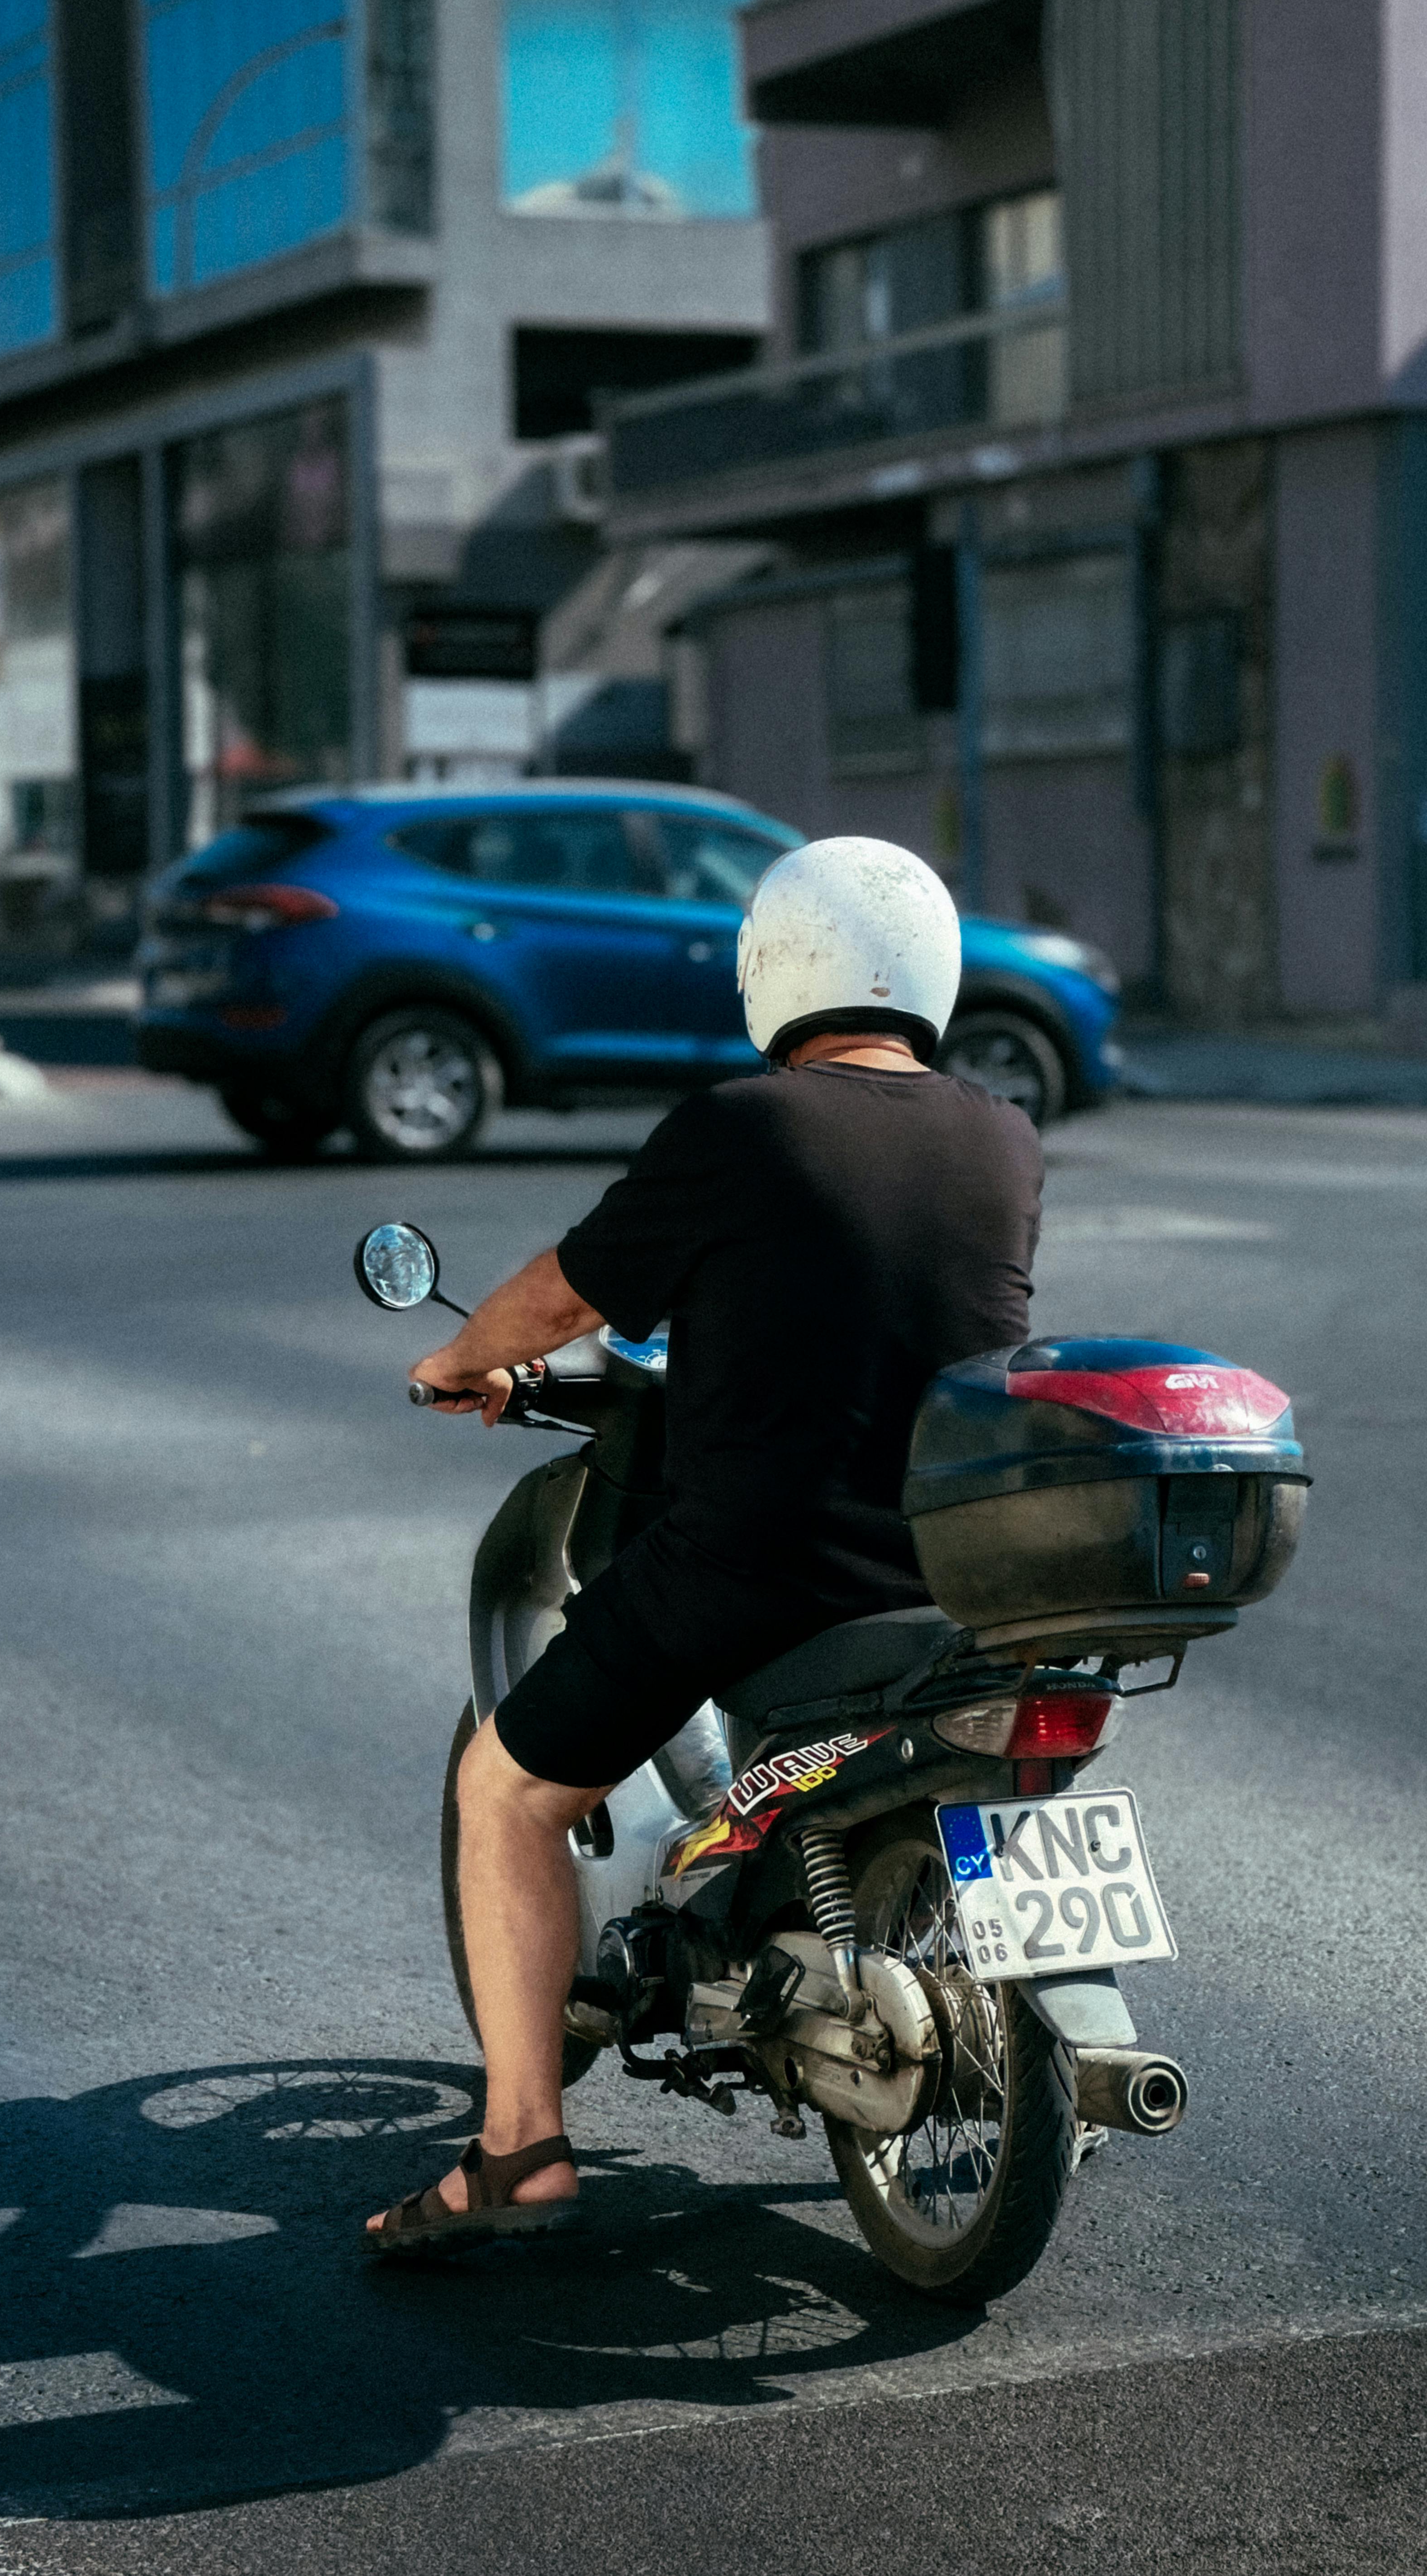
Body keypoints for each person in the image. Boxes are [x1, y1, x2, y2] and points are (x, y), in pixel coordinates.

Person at [364, 835, 1043, 2250]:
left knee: (505, 1791)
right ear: (928, 969)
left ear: (774, 966)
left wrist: (459, 1359)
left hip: (754, 1565)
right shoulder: (1001, 1133)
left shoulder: (745, 1124)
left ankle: (518, 2150)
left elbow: (567, 1295)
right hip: (947, 1570)